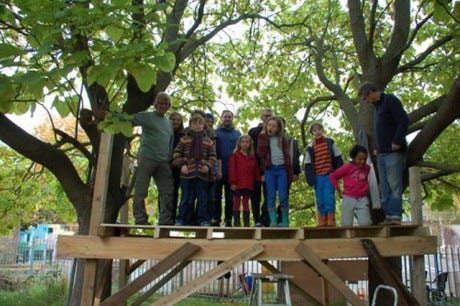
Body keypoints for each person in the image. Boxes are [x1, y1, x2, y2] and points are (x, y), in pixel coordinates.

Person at [358, 82, 409, 225]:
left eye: (365, 98)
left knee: (394, 184)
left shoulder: (390, 100)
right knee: (384, 186)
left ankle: (396, 216)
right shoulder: (377, 108)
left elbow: (403, 120)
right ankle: (388, 216)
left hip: (394, 152)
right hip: (382, 152)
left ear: (372, 92)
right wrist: (377, 147)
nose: (366, 102)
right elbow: (380, 131)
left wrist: (397, 140)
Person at [131, 92, 175, 225]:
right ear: (156, 104)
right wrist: (111, 117)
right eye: (161, 103)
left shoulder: (168, 123)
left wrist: (168, 156)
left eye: (166, 104)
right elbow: (129, 119)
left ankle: (165, 220)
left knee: (167, 191)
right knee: (141, 189)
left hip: (163, 161)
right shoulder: (148, 116)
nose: (163, 106)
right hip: (147, 158)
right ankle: (140, 219)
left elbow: (170, 142)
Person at [172, 114, 217, 226]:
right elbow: (177, 153)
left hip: (202, 174)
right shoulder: (184, 139)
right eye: (194, 123)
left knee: (203, 199)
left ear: (203, 125)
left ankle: (203, 220)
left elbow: (213, 156)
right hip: (187, 174)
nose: (197, 125)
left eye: (200, 123)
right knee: (186, 198)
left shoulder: (208, 141)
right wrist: (182, 165)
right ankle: (182, 219)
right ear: (190, 125)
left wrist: (208, 165)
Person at [304, 122, 343, 227]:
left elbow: (338, 157)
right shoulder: (310, 147)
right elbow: (307, 164)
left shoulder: (330, 142)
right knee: (320, 198)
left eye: (319, 129)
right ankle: (322, 220)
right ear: (312, 133)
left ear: (322, 130)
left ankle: (331, 219)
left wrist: (338, 173)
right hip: (318, 177)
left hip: (329, 175)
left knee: (329, 197)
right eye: (315, 130)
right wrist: (310, 179)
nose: (317, 132)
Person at [257, 116, 293, 227]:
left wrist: (290, 173)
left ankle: (285, 220)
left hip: (282, 170)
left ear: (278, 128)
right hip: (270, 170)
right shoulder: (263, 138)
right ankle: (272, 221)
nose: (270, 127)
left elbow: (288, 157)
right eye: (269, 125)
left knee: (283, 196)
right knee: (270, 195)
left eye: (274, 126)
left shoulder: (283, 139)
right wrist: (263, 136)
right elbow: (260, 153)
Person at [329, 145, 372, 226]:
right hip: (349, 198)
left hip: (362, 198)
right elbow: (333, 176)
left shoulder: (367, 168)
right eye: (359, 159)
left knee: (365, 223)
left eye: (364, 159)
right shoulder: (347, 167)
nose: (362, 162)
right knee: (346, 224)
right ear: (353, 157)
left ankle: (365, 237)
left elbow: (365, 180)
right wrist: (338, 190)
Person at [214, 110, 241, 227]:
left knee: (230, 197)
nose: (227, 119)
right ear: (221, 118)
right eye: (225, 117)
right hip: (218, 169)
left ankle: (229, 219)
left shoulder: (237, 135)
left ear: (232, 118)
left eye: (229, 117)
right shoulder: (215, 133)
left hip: (232, 171)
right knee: (216, 196)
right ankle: (216, 218)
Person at [248, 108, 274, 226]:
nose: (267, 117)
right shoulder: (253, 131)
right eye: (265, 115)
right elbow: (247, 149)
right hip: (254, 168)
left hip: (270, 168)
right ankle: (257, 220)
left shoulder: (275, 133)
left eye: (269, 115)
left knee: (269, 194)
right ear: (261, 117)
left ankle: (264, 220)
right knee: (255, 196)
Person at [229, 135, 261, 227]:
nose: (245, 144)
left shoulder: (252, 157)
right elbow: (232, 169)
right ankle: (236, 222)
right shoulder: (235, 156)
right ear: (239, 143)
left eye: (247, 142)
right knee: (237, 201)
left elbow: (256, 171)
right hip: (237, 184)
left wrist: (259, 178)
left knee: (246, 203)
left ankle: (246, 223)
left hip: (248, 184)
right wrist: (233, 182)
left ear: (250, 144)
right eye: (243, 142)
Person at [169, 111, 185, 222]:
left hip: (180, 167)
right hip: (166, 165)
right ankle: (167, 217)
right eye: (173, 119)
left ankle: (177, 217)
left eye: (178, 120)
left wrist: (180, 160)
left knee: (179, 191)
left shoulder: (183, 135)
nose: (175, 122)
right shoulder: (165, 132)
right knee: (167, 192)